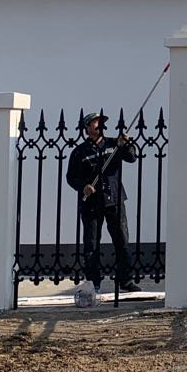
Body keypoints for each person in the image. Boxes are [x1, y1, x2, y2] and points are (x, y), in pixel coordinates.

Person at [66, 112, 141, 297]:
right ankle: (94, 282)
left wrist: (127, 144)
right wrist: (83, 187)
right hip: (91, 204)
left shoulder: (114, 144)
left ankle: (125, 280)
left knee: (122, 240)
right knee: (91, 244)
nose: (99, 125)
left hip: (114, 199)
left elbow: (132, 157)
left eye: (101, 122)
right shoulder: (79, 152)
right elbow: (71, 177)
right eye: (95, 122)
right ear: (87, 127)